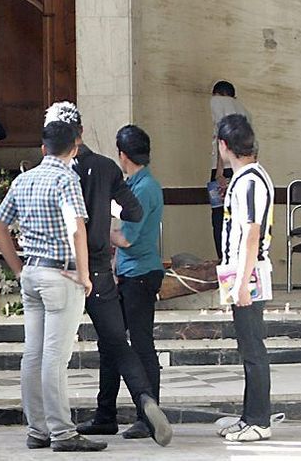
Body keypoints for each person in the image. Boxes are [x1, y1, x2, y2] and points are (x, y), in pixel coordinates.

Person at [45, 103, 171, 447]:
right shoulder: (105, 167)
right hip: (101, 270)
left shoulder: (51, 173)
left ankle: (46, 427)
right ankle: (144, 400)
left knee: (49, 351)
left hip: (64, 269)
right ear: (81, 132)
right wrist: (105, 212)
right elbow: (133, 209)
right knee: (117, 342)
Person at [0, 120, 105, 453]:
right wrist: (84, 275)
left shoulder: (24, 180)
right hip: (60, 276)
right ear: (75, 149)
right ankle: (62, 432)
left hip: (32, 274)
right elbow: (76, 229)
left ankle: (37, 428)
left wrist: (17, 267)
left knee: (34, 354)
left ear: (43, 148)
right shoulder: (66, 179)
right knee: (55, 357)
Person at [215, 114, 274, 442]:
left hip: (249, 274)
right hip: (241, 272)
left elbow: (251, 232)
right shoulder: (246, 176)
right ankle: (248, 415)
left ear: (224, 146)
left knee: (253, 350)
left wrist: (241, 284)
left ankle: (260, 420)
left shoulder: (250, 181)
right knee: (247, 348)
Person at [107, 125, 166, 439]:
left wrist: (99, 231)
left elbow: (126, 239)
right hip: (131, 272)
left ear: (123, 155)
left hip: (140, 273)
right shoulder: (138, 183)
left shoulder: (142, 188)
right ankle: (113, 412)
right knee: (120, 343)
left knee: (142, 345)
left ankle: (149, 417)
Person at [209, 80, 251, 260]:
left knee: (220, 218)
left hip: (224, 170)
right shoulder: (244, 111)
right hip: (242, 170)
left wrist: (219, 171)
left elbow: (222, 137)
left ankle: (225, 260)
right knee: (240, 216)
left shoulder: (219, 103)